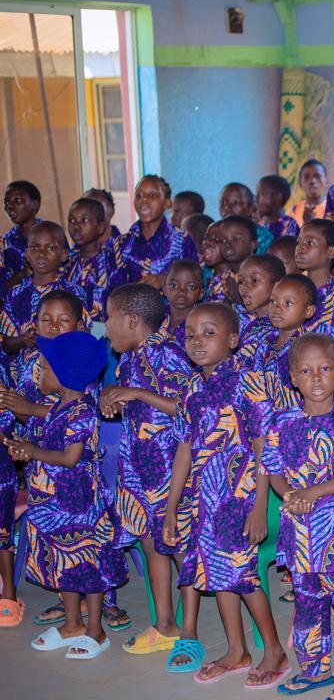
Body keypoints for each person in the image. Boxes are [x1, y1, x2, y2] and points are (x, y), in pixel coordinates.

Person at [159, 302, 287, 687]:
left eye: (209, 333)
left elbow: (266, 445)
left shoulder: (250, 382)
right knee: (218, 573)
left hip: (242, 498)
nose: (197, 341)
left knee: (243, 575)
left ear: (232, 340)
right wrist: (170, 507)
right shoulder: (191, 389)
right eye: (191, 334)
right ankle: (237, 650)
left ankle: (274, 650)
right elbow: (184, 448)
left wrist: (261, 506)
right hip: (205, 500)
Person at [3, 330, 126, 659]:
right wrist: (25, 451)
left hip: (80, 506)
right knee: (63, 564)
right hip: (54, 504)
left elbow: (71, 458)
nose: (38, 371)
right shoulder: (58, 407)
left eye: (44, 366)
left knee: (88, 564)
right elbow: (47, 447)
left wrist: (33, 451)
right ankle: (72, 623)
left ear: (64, 374)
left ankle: (95, 630)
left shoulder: (82, 412)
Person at [263, 334, 334, 700]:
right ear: (293, 377)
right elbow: (273, 469)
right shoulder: (283, 421)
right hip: (299, 534)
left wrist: (311, 493)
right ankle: (315, 670)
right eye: (306, 371)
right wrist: (288, 493)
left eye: (325, 369)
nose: (317, 378)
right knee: (307, 606)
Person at [100, 283, 197, 667]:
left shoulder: (168, 355)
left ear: (132, 320)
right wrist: (117, 398)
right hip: (141, 472)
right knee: (152, 545)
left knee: (183, 551)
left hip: (173, 472)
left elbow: (188, 409)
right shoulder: (131, 358)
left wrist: (134, 394)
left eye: (109, 318)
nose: (106, 327)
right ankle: (165, 625)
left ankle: (189, 634)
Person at [0, 291, 85, 629]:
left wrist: (29, 409)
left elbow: (80, 412)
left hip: (71, 466)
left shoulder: (79, 361)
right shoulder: (31, 362)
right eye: (45, 320)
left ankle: (101, 602)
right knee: (51, 534)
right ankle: (67, 601)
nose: (52, 326)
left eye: (62, 320)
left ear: (79, 326)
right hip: (39, 464)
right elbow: (16, 407)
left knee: (80, 535)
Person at [1, 221, 87, 358]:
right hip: (23, 375)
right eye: (34, 248)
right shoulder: (15, 294)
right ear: (26, 254)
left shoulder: (73, 293)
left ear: (64, 254)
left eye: (50, 248)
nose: (41, 254)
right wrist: (23, 340)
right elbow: (6, 345)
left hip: (61, 372)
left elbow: (83, 335)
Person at [111, 174, 199, 290]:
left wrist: (165, 280)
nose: (144, 200)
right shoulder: (123, 243)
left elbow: (195, 280)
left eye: (152, 195)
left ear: (167, 203)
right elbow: (114, 287)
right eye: (139, 195)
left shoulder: (181, 239)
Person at [257, 274, 318, 413]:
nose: (277, 308)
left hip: (296, 421)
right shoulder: (262, 343)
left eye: (288, 303)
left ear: (308, 311)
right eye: (273, 301)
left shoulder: (310, 348)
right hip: (265, 419)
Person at [295, 221, 334, 348]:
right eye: (298, 242)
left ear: (331, 252)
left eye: (309, 243)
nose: (300, 248)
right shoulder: (292, 292)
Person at [63, 197, 113, 323]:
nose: (76, 226)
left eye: (84, 220)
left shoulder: (112, 262)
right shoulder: (66, 263)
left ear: (100, 227)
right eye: (72, 220)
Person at [235, 253, 285, 358]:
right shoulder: (236, 318)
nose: (245, 286)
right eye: (241, 281)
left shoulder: (283, 326)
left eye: (254, 280)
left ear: (277, 285)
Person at [209, 215, 259, 304]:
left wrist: (237, 296)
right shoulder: (218, 282)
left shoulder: (262, 277)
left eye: (236, 239)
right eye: (222, 240)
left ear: (253, 244)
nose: (227, 244)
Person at [1, 180, 43, 287]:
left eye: (17, 200)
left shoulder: (51, 235)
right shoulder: (5, 243)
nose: (10, 206)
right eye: (6, 202)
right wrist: (23, 273)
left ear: (35, 204)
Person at [160, 259, 205, 350]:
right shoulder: (155, 318)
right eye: (173, 285)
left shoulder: (203, 324)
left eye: (191, 287)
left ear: (201, 294)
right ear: (164, 290)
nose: (181, 292)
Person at [220, 182, 273, 254]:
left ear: (250, 209)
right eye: (224, 203)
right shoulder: (216, 232)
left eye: (235, 203)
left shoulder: (263, 237)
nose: (227, 207)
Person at [255, 174, 301, 239]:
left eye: (262, 194)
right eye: (257, 194)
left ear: (278, 198)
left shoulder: (289, 224)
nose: (256, 199)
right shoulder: (258, 223)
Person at [287, 159, 329, 227]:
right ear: (300, 183)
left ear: (326, 181)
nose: (312, 181)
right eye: (306, 177)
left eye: (317, 176)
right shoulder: (293, 212)